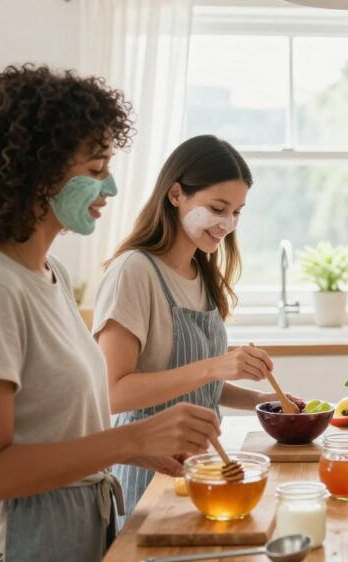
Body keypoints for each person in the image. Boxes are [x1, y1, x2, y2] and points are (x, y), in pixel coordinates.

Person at [0, 65, 220, 562]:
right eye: (95, 166)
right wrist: (134, 440)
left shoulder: (49, 274)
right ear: (37, 173)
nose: (109, 184)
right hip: (10, 558)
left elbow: (61, 424)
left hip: (69, 542)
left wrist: (145, 447)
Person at [94, 135, 290, 524]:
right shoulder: (134, 272)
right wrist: (216, 367)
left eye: (237, 212)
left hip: (201, 465)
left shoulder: (201, 272)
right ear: (176, 194)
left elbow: (200, 384)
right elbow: (112, 393)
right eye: (218, 208)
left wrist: (267, 406)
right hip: (151, 471)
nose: (228, 224)